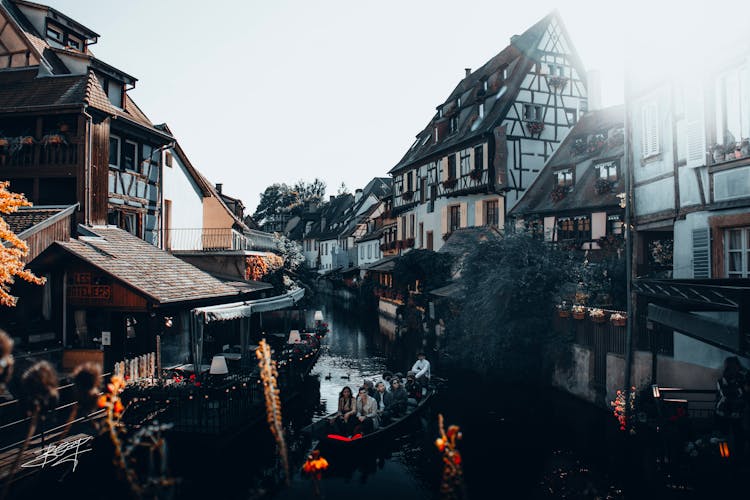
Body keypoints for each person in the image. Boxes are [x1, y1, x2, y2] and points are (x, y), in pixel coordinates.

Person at [716, 356, 748, 455]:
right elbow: (727, 394)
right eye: (733, 367)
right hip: (724, 413)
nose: (735, 369)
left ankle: (736, 457)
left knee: (738, 437)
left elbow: (743, 393)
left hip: (735, 414)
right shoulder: (722, 380)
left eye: (736, 367)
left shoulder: (741, 379)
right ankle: (725, 458)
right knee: (724, 437)